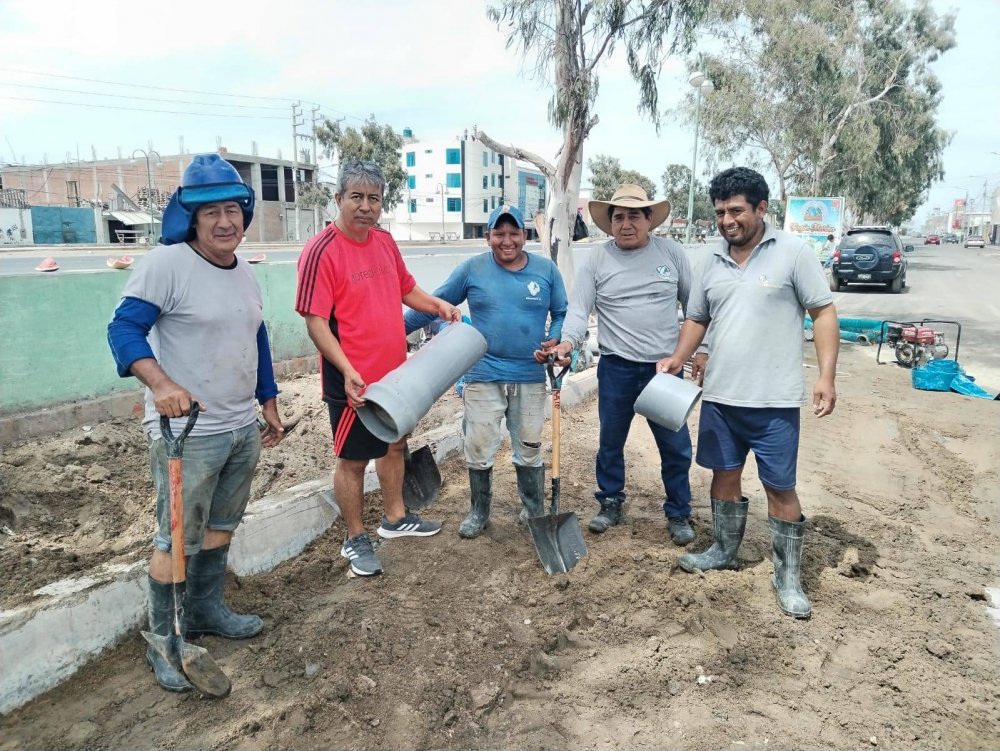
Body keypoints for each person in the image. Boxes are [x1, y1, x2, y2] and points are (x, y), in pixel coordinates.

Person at [107, 153, 285, 692]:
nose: (224, 221)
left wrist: (268, 400)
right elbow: (124, 331)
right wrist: (161, 386)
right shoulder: (167, 265)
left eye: (232, 209)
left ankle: (206, 611)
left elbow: (255, 336)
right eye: (211, 212)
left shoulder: (245, 272)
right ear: (191, 216)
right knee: (174, 539)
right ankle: (164, 640)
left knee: (220, 526)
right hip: (187, 436)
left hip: (238, 427)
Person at [657, 167, 839, 619]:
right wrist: (680, 357)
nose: (726, 220)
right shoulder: (710, 261)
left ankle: (788, 576)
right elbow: (697, 318)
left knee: (780, 487)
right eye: (720, 212)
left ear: (762, 208)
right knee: (724, 475)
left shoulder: (794, 254)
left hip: (773, 400)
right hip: (721, 397)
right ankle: (723, 550)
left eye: (736, 210)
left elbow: (823, 314)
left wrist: (826, 377)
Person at [294, 160, 461, 577]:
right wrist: (348, 371)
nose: (366, 207)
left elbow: (406, 288)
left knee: (395, 445)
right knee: (353, 461)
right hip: (353, 380)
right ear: (338, 199)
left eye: (374, 199)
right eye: (357, 197)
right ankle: (355, 538)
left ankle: (396, 517)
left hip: (394, 375)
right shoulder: (321, 251)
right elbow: (315, 322)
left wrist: (436, 304)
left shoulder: (384, 242)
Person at [548, 184, 701, 546]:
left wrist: (697, 351)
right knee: (610, 443)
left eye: (635, 215)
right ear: (610, 223)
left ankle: (679, 512)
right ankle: (611, 501)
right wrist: (567, 342)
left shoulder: (672, 253)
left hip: (663, 371)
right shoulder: (597, 261)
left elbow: (695, 308)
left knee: (675, 447)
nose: (626, 223)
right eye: (619, 217)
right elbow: (578, 310)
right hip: (616, 368)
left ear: (650, 220)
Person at [404, 204, 568, 538]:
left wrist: (553, 340)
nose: (507, 241)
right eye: (499, 234)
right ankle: (479, 511)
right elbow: (433, 305)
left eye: (514, 233)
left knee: (530, 446)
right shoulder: (471, 270)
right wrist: (394, 332)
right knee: (478, 445)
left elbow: (562, 312)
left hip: (530, 375)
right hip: (483, 373)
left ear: (525, 235)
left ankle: (533, 508)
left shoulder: (546, 271)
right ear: (487, 236)